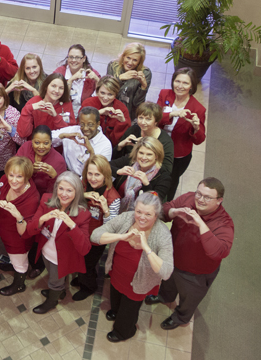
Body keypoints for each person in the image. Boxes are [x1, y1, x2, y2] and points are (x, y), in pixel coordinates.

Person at [145, 178, 233, 330]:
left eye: (207, 197)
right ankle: (164, 297)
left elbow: (219, 252)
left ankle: (181, 318)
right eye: (199, 193)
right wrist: (174, 212)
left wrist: (201, 224)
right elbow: (164, 211)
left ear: (219, 201)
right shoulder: (188, 198)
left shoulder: (224, 223)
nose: (200, 199)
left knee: (189, 299)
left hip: (196, 274)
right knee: (168, 283)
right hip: (173, 260)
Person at [91, 192, 174, 343]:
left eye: (148, 214)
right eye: (139, 212)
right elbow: (95, 235)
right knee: (115, 296)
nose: (142, 217)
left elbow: (166, 272)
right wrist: (121, 237)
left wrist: (147, 248)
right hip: (117, 273)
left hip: (140, 282)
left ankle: (124, 331)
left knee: (129, 310)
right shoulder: (126, 218)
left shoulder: (162, 233)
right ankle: (116, 311)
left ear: (156, 215)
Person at [22, 171, 91, 314]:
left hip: (62, 257)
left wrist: (72, 225)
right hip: (46, 251)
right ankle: (59, 291)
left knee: (55, 281)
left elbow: (85, 249)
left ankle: (52, 301)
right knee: (54, 277)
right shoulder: (47, 200)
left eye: (69, 190)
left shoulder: (83, 214)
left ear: (77, 192)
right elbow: (29, 229)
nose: (64, 194)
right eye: (61, 189)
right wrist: (42, 219)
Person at [72, 155, 121, 301]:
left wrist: (105, 210)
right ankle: (82, 278)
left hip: (95, 240)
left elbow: (111, 227)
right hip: (81, 232)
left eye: (97, 175)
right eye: (90, 173)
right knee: (80, 259)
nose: (93, 178)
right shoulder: (83, 185)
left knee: (88, 264)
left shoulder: (114, 198)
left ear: (106, 175)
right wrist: (83, 194)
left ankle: (88, 286)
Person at [0, 157, 40, 296]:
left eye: (19, 176)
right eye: (11, 175)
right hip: (5, 233)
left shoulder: (32, 199)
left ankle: (19, 284)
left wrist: (18, 216)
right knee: (14, 258)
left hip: (18, 239)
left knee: (20, 262)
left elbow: (25, 232)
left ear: (27, 176)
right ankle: (13, 264)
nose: (14, 180)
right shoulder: (5, 180)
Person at [156, 67, 206, 200]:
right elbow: (154, 117)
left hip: (177, 155)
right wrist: (173, 114)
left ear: (191, 86)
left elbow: (199, 139)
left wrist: (196, 127)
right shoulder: (164, 94)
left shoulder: (198, 109)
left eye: (185, 83)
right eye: (177, 81)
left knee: (170, 182)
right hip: (157, 145)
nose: (180, 86)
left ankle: (164, 206)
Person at [110, 137, 171, 212]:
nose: (144, 157)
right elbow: (103, 165)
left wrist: (146, 184)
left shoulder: (164, 176)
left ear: (156, 156)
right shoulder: (130, 161)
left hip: (141, 215)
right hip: (114, 209)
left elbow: (156, 202)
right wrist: (118, 171)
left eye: (149, 154)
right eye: (141, 153)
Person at [114, 102, 174, 174]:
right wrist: (120, 146)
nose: (143, 122)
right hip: (128, 172)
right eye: (141, 118)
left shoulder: (165, 141)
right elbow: (116, 158)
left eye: (148, 119)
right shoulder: (133, 130)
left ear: (156, 121)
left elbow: (167, 170)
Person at [51, 107, 113, 176]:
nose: (85, 128)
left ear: (98, 123)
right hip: (67, 174)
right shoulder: (72, 131)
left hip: (88, 181)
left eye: (90, 124)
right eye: (82, 124)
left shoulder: (105, 144)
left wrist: (92, 152)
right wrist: (62, 136)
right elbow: (47, 139)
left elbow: (100, 172)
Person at [17, 73, 75, 142]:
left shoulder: (67, 104)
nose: (57, 91)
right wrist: (28, 109)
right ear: (46, 86)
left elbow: (70, 133)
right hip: (36, 146)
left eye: (61, 88)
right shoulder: (34, 102)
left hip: (58, 148)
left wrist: (56, 116)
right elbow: (23, 133)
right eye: (53, 86)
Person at [107, 43, 152, 122]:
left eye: (135, 60)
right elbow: (107, 92)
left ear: (139, 62)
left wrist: (143, 87)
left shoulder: (145, 73)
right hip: (111, 109)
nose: (130, 63)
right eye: (128, 58)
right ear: (123, 56)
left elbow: (137, 104)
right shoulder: (113, 66)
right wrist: (120, 79)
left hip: (129, 114)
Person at [16, 125, 67, 196]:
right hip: (20, 190)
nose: (41, 147)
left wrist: (54, 176)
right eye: (37, 143)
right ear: (32, 141)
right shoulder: (26, 147)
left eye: (46, 143)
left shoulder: (58, 160)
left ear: (51, 142)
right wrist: (29, 170)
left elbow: (62, 190)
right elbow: (14, 169)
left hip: (43, 197)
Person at [53, 44, 101, 118]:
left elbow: (98, 99)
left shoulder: (92, 74)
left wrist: (97, 81)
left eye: (77, 57)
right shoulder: (59, 73)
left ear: (84, 58)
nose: (73, 60)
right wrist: (70, 80)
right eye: (71, 57)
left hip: (85, 114)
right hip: (63, 112)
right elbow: (57, 98)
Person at [81, 75, 130, 146]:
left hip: (110, 148)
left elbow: (121, 141)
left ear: (116, 95)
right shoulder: (88, 103)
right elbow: (80, 127)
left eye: (110, 94)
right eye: (102, 93)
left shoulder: (122, 109)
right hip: (86, 144)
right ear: (97, 91)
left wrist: (122, 122)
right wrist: (98, 113)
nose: (105, 98)